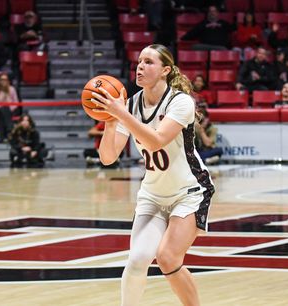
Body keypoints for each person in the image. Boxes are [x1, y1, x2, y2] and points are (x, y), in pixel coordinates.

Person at [91, 44, 215, 306]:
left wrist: (121, 113)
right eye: (139, 62)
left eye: (148, 62)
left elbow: (157, 140)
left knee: (168, 257)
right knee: (137, 260)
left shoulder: (181, 102)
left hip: (190, 191)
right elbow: (108, 157)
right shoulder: (130, 105)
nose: (140, 67)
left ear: (165, 70)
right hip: (153, 194)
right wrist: (110, 121)